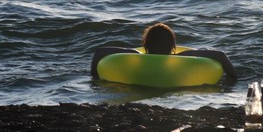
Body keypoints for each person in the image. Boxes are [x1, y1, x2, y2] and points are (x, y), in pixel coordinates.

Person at [89, 22, 235, 78]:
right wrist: (232, 80)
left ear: (146, 44)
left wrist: (95, 77)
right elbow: (220, 55)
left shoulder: (136, 56)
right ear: (173, 46)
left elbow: (99, 52)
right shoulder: (181, 57)